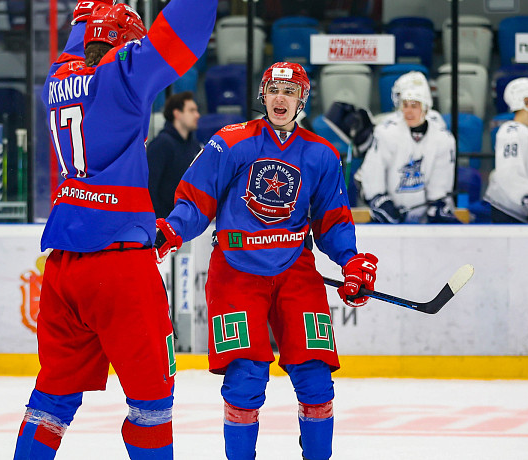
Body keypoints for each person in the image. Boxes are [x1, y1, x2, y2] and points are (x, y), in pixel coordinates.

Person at [12, 1, 217, 459]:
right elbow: (181, 34)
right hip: (120, 268)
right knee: (152, 404)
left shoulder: (56, 80)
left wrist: (92, 15)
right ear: (124, 43)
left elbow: (80, 42)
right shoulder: (122, 75)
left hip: (63, 268)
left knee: (51, 400)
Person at [154, 62, 379, 460]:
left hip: (295, 270)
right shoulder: (230, 142)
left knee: (315, 377)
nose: (280, 97)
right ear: (263, 95)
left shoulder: (322, 154)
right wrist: (172, 229)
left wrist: (351, 263)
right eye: (274, 89)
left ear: (302, 100)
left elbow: (333, 220)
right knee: (245, 377)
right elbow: (196, 200)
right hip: (235, 271)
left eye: (289, 91)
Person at [355, 74, 460, 224]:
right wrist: (380, 201)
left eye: (414, 106)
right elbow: (373, 172)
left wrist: (437, 204)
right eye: (405, 105)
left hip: (423, 221)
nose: (409, 111)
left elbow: (440, 183)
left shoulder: (442, 138)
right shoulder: (386, 132)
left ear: (425, 108)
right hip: (389, 219)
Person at [484, 77, 528, 223]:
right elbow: (509, 172)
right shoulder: (511, 132)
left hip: (525, 209)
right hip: (508, 210)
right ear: (526, 102)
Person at [147, 91, 202, 218]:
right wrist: (160, 221)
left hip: (187, 220)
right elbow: (150, 188)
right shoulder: (161, 144)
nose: (197, 115)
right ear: (177, 113)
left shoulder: (194, 145)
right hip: (164, 221)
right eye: (191, 110)